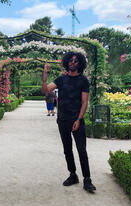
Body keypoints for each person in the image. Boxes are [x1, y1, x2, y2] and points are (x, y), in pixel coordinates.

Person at [42, 52, 96, 193]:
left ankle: (87, 179)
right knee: (67, 150)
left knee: (81, 150)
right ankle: (73, 175)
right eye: (70, 61)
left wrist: (79, 119)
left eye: (76, 61)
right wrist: (45, 74)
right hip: (63, 120)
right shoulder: (61, 79)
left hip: (77, 120)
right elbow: (46, 90)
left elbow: (85, 102)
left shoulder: (83, 81)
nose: (72, 63)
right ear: (67, 62)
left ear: (80, 64)